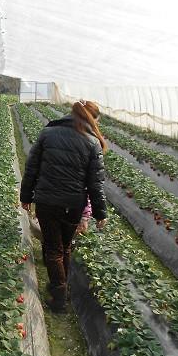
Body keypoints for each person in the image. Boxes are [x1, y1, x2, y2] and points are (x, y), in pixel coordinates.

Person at [20, 100, 108, 312]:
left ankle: (59, 296)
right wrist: (99, 212)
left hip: (47, 201)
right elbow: (95, 183)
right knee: (64, 247)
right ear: (91, 119)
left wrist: (26, 196)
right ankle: (60, 290)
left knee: (53, 249)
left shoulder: (48, 133)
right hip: (73, 204)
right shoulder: (92, 142)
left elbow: (32, 167)